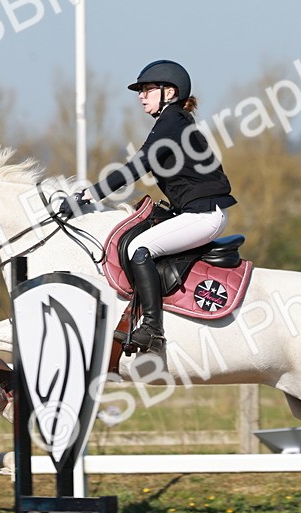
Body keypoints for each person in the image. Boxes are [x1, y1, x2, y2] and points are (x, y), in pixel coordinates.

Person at [57, 60, 236, 365]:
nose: (141, 95)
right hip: (193, 212)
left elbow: (136, 167)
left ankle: (152, 329)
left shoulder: (173, 121)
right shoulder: (172, 121)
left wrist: (88, 195)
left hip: (204, 215)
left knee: (141, 249)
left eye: (148, 89)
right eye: (141, 90)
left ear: (170, 92)